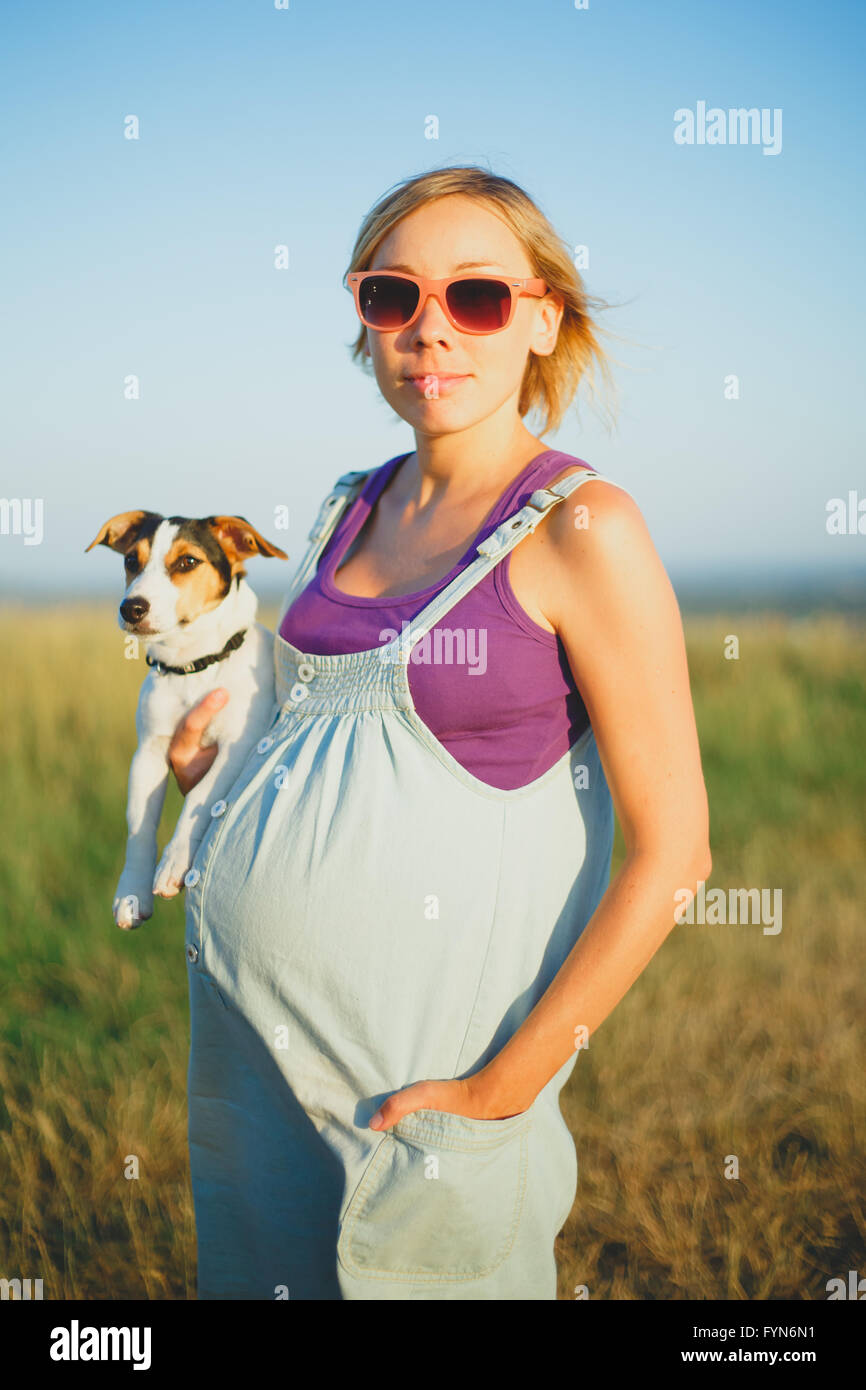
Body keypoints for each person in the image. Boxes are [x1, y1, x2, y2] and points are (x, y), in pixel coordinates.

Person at [168, 166, 711, 1300]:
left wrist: (505, 1087)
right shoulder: (344, 505)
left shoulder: (583, 528)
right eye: (390, 296)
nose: (428, 331)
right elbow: (322, 753)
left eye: (474, 297)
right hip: (259, 1065)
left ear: (540, 317)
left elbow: (675, 857)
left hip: (428, 1086)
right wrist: (212, 774)